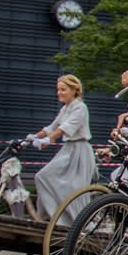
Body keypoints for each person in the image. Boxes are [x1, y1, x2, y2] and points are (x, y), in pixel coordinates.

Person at [33, 74, 95, 224]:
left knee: (74, 189)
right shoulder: (65, 108)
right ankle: (55, 217)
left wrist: (49, 139)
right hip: (68, 149)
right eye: (58, 90)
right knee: (43, 176)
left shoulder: (80, 107)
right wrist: (33, 137)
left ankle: (74, 221)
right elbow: (52, 127)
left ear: (74, 90)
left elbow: (64, 128)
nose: (59, 93)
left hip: (80, 151)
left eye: (63, 89)